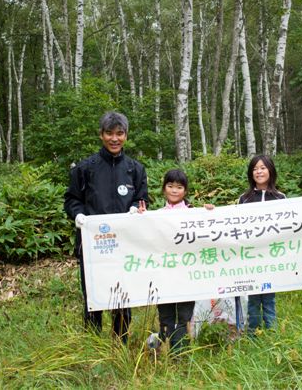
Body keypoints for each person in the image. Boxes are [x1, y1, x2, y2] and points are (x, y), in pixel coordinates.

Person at [64, 111, 148, 343]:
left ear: (126, 136)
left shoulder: (135, 169)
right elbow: (71, 199)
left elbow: (142, 199)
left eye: (119, 134)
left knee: (123, 296)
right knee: (94, 297)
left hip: (125, 246)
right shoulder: (85, 168)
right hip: (93, 246)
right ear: (101, 135)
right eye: (109, 133)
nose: (114, 139)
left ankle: (120, 344)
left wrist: (136, 209)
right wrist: (78, 215)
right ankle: (93, 345)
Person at [151, 169, 214, 353]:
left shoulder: (194, 214)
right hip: (164, 275)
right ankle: (163, 353)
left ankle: (180, 355)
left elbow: (207, 236)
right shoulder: (156, 215)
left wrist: (210, 213)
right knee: (165, 315)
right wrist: (139, 216)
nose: (174, 190)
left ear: (185, 191)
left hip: (187, 276)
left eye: (179, 187)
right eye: (170, 186)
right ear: (164, 188)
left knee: (184, 315)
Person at [239, 155, 286, 333]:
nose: (259, 172)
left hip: (272, 256)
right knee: (252, 297)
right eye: (255, 169)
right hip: (251, 256)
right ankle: (253, 332)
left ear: (270, 170)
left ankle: (272, 332)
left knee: (269, 296)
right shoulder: (244, 198)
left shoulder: (280, 197)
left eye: (263, 168)